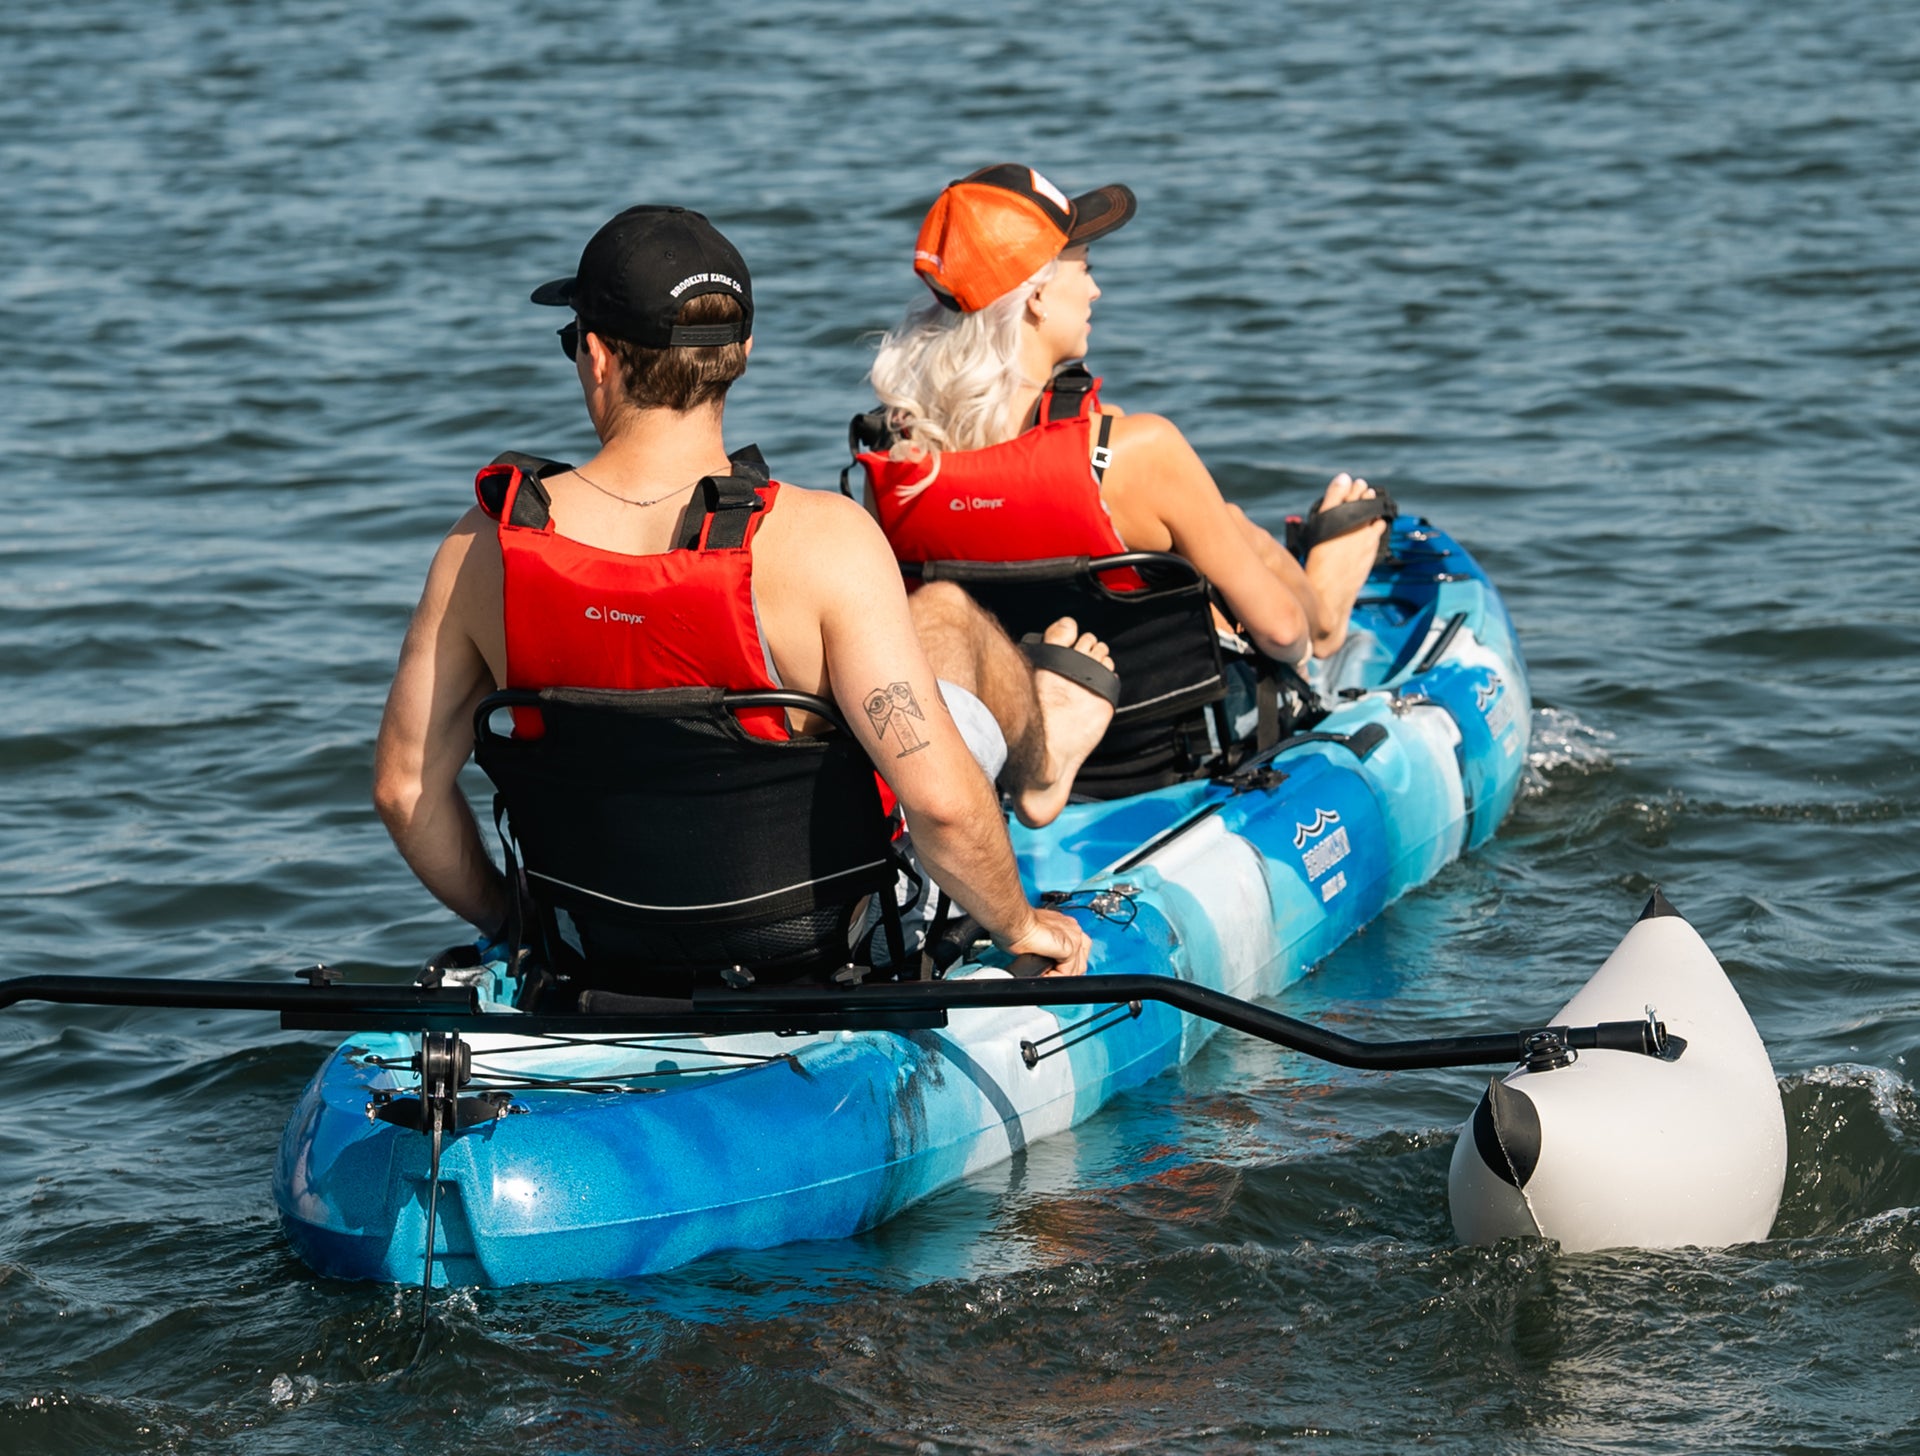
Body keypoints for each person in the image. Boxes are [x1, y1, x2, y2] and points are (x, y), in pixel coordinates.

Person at [372, 204, 1117, 977]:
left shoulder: (481, 548)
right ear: (743, 353)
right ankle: (1044, 757)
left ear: (596, 357)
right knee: (948, 625)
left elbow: (402, 789)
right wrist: (1021, 925)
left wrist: (517, 919)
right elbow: (942, 805)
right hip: (817, 951)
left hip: (592, 946)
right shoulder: (822, 542)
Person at [856, 163, 1390, 678]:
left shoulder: (899, 462)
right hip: (1155, 743)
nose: (1095, 290)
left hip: (1000, 734)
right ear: (1037, 296)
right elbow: (1279, 635)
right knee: (1226, 535)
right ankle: (1326, 616)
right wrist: (1297, 632)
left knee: (1219, 522)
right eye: (1085, 267)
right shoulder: (1136, 451)